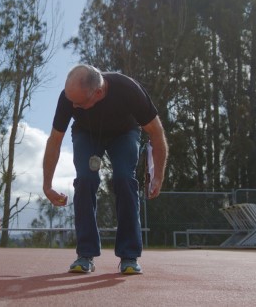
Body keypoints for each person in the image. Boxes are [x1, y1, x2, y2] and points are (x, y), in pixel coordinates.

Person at [43, 64, 168, 274]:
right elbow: (55, 141)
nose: (73, 105)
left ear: (98, 93)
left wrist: (158, 176)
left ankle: (129, 256)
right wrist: (47, 185)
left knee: (124, 179)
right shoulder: (68, 98)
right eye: (70, 100)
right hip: (86, 134)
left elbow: (156, 133)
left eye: (79, 103)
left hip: (125, 133)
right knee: (85, 180)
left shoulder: (129, 90)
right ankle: (85, 254)